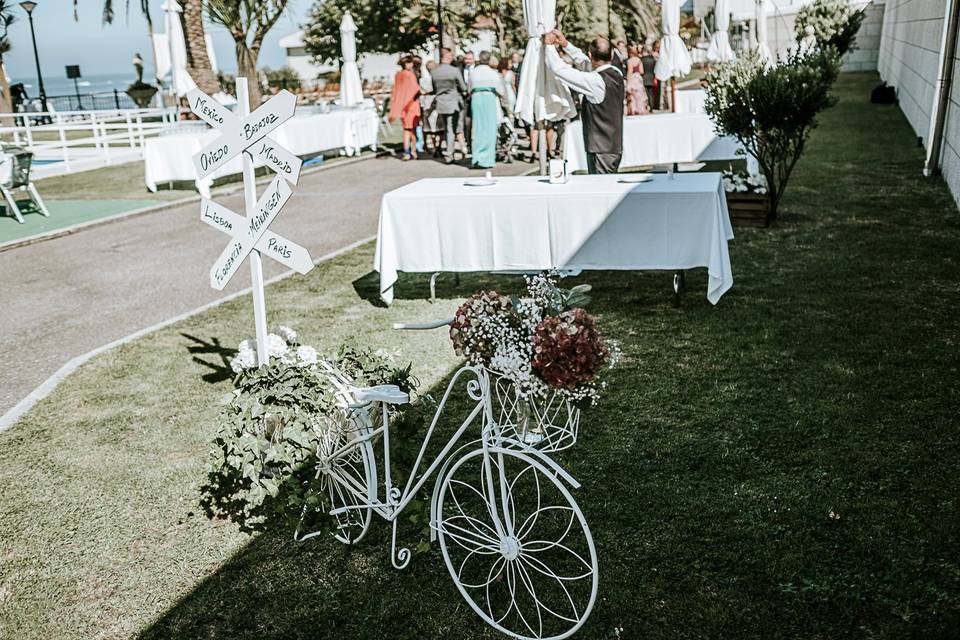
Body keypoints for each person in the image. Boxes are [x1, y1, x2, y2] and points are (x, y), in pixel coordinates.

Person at [543, 30, 625, 174]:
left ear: (591, 55)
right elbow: (585, 63)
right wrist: (565, 45)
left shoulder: (595, 81)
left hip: (601, 150)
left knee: (601, 190)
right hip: (612, 146)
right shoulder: (616, 73)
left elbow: (560, 70)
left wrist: (549, 46)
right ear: (611, 55)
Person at [430, 47, 468, 164]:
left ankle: (449, 152)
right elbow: (463, 87)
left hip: (441, 103)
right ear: (448, 57)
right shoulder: (454, 71)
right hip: (453, 102)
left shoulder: (435, 72)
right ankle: (450, 154)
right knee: (452, 129)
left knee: (447, 129)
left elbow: (434, 88)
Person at [468, 50, 504, 169]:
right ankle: (487, 159)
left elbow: (469, 88)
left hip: (476, 98)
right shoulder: (492, 73)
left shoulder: (473, 72)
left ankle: (477, 157)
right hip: (489, 99)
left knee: (477, 129)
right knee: (489, 129)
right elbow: (501, 90)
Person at [388, 54, 422, 160]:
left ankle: (407, 151)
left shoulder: (398, 75)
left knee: (406, 129)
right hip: (411, 104)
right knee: (412, 129)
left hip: (402, 105)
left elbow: (396, 91)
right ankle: (413, 151)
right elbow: (416, 90)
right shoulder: (410, 75)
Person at [625, 45, 650, 116]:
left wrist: (628, 80)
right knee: (639, 95)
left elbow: (630, 71)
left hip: (633, 78)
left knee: (632, 95)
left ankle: (634, 109)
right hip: (638, 78)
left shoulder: (629, 61)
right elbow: (642, 71)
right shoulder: (639, 60)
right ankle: (641, 109)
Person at [641, 44, 657, 111]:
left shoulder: (642, 60)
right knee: (650, 93)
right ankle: (651, 106)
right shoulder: (653, 60)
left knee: (645, 94)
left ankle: (647, 106)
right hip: (651, 77)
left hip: (644, 77)